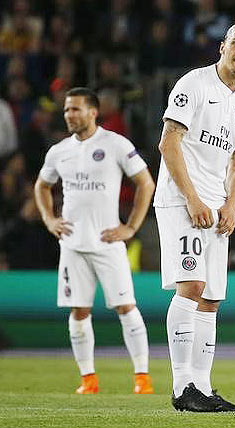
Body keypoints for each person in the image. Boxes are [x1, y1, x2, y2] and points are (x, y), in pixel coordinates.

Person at [154, 22, 235, 412]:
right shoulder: (193, 85)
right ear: (223, 46)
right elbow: (168, 143)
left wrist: (231, 205)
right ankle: (183, 388)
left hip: (216, 208)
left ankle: (203, 387)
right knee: (192, 288)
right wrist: (193, 198)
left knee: (211, 299)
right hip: (183, 202)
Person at [34, 87, 156, 395]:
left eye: (75, 109)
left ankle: (142, 377)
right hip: (73, 244)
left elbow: (145, 183)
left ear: (93, 112)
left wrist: (130, 228)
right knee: (78, 311)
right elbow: (42, 186)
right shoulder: (59, 150)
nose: (69, 115)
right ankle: (88, 379)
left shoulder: (115, 144)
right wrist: (49, 219)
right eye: (66, 110)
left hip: (108, 242)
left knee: (126, 307)